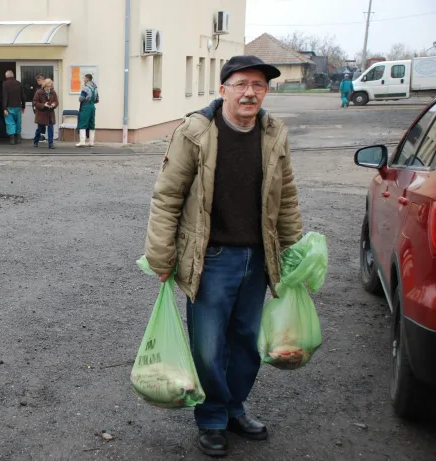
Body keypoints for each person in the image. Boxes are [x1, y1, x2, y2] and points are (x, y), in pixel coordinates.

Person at [143, 55, 303, 458]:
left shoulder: (273, 132)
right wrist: (161, 256)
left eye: (259, 86)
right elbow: (168, 197)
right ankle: (212, 417)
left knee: (247, 342)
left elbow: (285, 195)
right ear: (223, 89)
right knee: (209, 346)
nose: (250, 92)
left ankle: (234, 408)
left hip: (257, 258)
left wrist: (295, 248)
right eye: (241, 84)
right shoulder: (195, 132)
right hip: (211, 258)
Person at [33, 78, 58, 149]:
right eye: (47, 86)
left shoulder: (53, 92)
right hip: (42, 113)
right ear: (44, 86)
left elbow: (56, 102)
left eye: (50, 86)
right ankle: (36, 141)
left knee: (51, 128)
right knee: (40, 129)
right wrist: (44, 105)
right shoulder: (39, 92)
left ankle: (51, 143)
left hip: (50, 113)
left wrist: (54, 104)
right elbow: (35, 102)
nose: (48, 88)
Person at [2, 70, 26, 145]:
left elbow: (4, 97)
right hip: (18, 106)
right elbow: (23, 96)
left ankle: (12, 138)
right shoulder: (19, 83)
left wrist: (4, 108)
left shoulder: (5, 84)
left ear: (6, 76)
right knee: (18, 122)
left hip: (9, 107)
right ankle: (18, 138)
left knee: (10, 122)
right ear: (13, 75)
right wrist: (23, 106)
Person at [76, 74, 100, 147]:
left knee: (83, 123)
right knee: (91, 124)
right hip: (92, 106)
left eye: (84, 78)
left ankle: (82, 142)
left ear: (87, 79)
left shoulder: (85, 88)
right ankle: (91, 142)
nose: (84, 80)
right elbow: (97, 100)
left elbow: (81, 98)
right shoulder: (95, 88)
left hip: (86, 107)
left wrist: (81, 99)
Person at [33, 74, 46, 142]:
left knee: (43, 122)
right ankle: (39, 136)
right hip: (38, 107)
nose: (38, 81)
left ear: (43, 80)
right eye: (37, 80)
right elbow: (34, 99)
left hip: (44, 107)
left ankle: (43, 136)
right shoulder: (37, 88)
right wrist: (34, 106)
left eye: (39, 80)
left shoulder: (46, 88)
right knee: (39, 122)